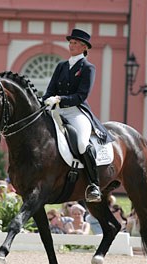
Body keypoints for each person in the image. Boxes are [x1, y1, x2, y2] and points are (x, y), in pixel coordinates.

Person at [42, 28, 113, 203]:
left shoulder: (88, 68)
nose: (71, 45)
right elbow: (50, 90)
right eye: (70, 42)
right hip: (57, 110)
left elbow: (81, 95)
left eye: (75, 43)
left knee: (82, 143)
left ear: (83, 47)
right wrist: (43, 101)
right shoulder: (61, 66)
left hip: (76, 111)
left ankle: (93, 184)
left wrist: (59, 98)